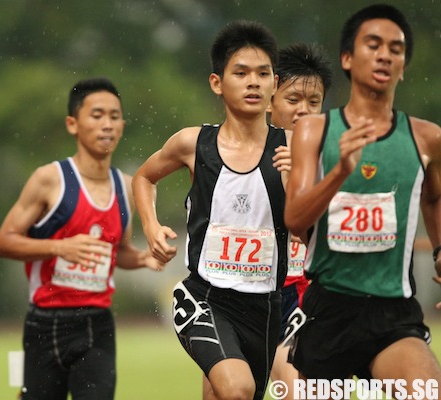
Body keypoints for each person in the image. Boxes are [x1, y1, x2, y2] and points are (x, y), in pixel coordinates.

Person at [285, 3, 441, 395]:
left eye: (396, 48)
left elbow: (434, 198)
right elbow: (295, 219)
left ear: (403, 66)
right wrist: (339, 172)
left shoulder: (427, 138)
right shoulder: (314, 132)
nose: (385, 54)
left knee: (428, 390)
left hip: (393, 311)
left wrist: (440, 251)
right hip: (328, 310)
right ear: (348, 58)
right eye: (373, 44)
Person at [133, 20, 290, 400]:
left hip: (266, 305)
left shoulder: (295, 148)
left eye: (262, 73)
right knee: (236, 388)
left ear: (274, 84)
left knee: (229, 395)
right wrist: (151, 226)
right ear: (217, 83)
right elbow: (143, 178)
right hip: (205, 297)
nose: (253, 82)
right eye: (241, 73)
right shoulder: (192, 143)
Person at [0, 77, 163, 400]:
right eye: (97, 115)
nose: (107, 125)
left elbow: (119, 253)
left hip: (96, 324)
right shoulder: (49, 180)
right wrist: (59, 246)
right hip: (46, 323)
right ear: (73, 124)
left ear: (123, 125)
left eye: (114, 116)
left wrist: (142, 258)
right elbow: (3, 242)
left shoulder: (126, 187)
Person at [267, 42, 332, 398]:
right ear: (269, 100)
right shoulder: (244, 153)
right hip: (257, 293)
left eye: (314, 102)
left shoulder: (336, 157)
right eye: (293, 100)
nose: (303, 111)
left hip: (315, 293)